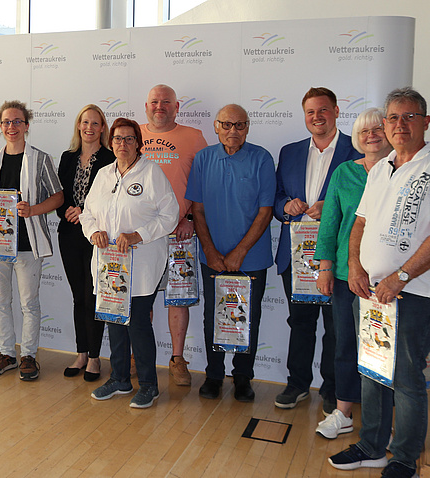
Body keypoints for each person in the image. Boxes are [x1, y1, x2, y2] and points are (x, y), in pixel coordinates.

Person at [329, 88, 430, 478]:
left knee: (406, 381)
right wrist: (354, 266)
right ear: (385, 124)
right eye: (393, 118)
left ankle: (404, 459)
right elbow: (360, 222)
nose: (399, 125)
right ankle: (372, 446)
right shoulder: (382, 166)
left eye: (408, 117)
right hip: (370, 292)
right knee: (372, 372)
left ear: (425, 122)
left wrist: (400, 278)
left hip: (414, 295)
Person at [273, 87, 362, 413]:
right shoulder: (290, 151)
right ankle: (297, 384)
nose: (317, 117)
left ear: (337, 111)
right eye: (311, 112)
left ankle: (332, 389)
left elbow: (367, 199)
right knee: (300, 322)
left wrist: (334, 205)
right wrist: (286, 205)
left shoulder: (356, 150)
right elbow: (277, 196)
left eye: (323, 110)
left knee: (337, 327)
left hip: (336, 257)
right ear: (304, 115)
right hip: (296, 257)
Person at [81, 117, 179, 409]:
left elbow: (169, 216)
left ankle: (149, 385)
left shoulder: (152, 173)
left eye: (129, 139)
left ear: (139, 143)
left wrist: (138, 235)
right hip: (108, 265)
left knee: (137, 323)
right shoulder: (103, 175)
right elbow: (87, 213)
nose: (123, 144)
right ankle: (120, 379)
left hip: (142, 263)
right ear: (110, 143)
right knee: (114, 322)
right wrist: (93, 232)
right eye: (118, 139)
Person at [186, 104, 275, 402]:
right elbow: (196, 210)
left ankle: (242, 377)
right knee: (214, 317)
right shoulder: (203, 158)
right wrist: (210, 251)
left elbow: (266, 211)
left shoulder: (261, 158)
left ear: (248, 127)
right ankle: (213, 375)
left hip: (251, 257)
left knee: (248, 317)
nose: (232, 131)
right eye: (226, 125)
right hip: (212, 257)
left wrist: (240, 251)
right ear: (216, 126)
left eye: (239, 125)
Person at [314, 108, 393, 439]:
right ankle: (343, 412)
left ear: (389, 133)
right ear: (357, 139)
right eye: (364, 132)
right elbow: (330, 221)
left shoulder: (400, 171)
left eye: (377, 129)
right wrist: (325, 266)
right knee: (345, 344)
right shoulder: (344, 172)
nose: (371, 135)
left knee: (384, 352)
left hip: (388, 279)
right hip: (348, 276)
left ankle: (386, 423)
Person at [0, 101, 63, 381]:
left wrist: (34, 209)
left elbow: (59, 196)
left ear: (27, 125)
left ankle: (28, 355)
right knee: (1, 303)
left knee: (29, 303)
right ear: (1, 126)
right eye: (6, 122)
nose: (11, 127)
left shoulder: (41, 159)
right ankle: (7, 354)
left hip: (29, 243)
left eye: (17, 121)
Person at [140, 84, 208, 386]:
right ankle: (138, 356)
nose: (159, 107)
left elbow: (205, 183)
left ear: (176, 107)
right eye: (154, 102)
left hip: (179, 233)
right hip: (141, 235)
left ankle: (177, 359)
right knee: (141, 298)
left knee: (178, 299)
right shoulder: (132, 134)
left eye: (165, 102)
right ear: (146, 107)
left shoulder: (194, 138)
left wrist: (190, 217)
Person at [57, 104, 115, 382]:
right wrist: (68, 210)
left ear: (102, 128)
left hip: (95, 236)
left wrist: (85, 213)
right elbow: (59, 194)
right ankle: (81, 353)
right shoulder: (67, 158)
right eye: (85, 122)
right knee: (78, 296)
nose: (89, 128)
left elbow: (111, 200)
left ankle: (94, 357)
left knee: (94, 295)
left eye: (95, 123)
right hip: (69, 234)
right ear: (78, 126)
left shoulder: (110, 158)